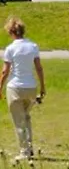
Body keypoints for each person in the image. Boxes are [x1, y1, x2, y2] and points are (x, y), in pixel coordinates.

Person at [0, 18, 45, 161]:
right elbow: (39, 68)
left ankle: (24, 152)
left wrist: (0, 87)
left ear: (11, 32)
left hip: (15, 88)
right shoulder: (33, 46)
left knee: (19, 120)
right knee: (26, 117)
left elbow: (5, 71)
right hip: (31, 87)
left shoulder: (10, 49)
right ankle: (29, 147)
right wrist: (42, 86)